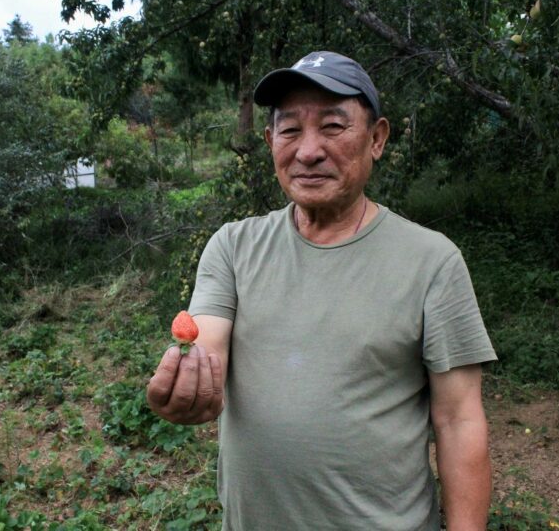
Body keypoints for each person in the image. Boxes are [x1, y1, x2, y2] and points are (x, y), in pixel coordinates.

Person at [147, 51, 497, 531]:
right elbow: (204, 346)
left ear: (376, 139)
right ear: (271, 142)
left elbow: (460, 422)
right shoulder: (233, 247)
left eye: (333, 127)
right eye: (290, 130)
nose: (307, 150)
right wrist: (190, 388)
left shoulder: (432, 262)